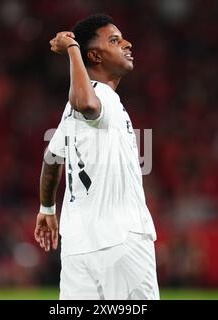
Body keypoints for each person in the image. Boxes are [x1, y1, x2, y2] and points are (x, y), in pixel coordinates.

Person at [34, 14, 159, 300]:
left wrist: (48, 209)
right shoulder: (97, 98)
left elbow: (52, 158)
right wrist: (72, 49)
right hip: (122, 242)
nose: (127, 44)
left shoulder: (70, 112)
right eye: (114, 41)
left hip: (79, 250)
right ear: (95, 56)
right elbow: (86, 103)